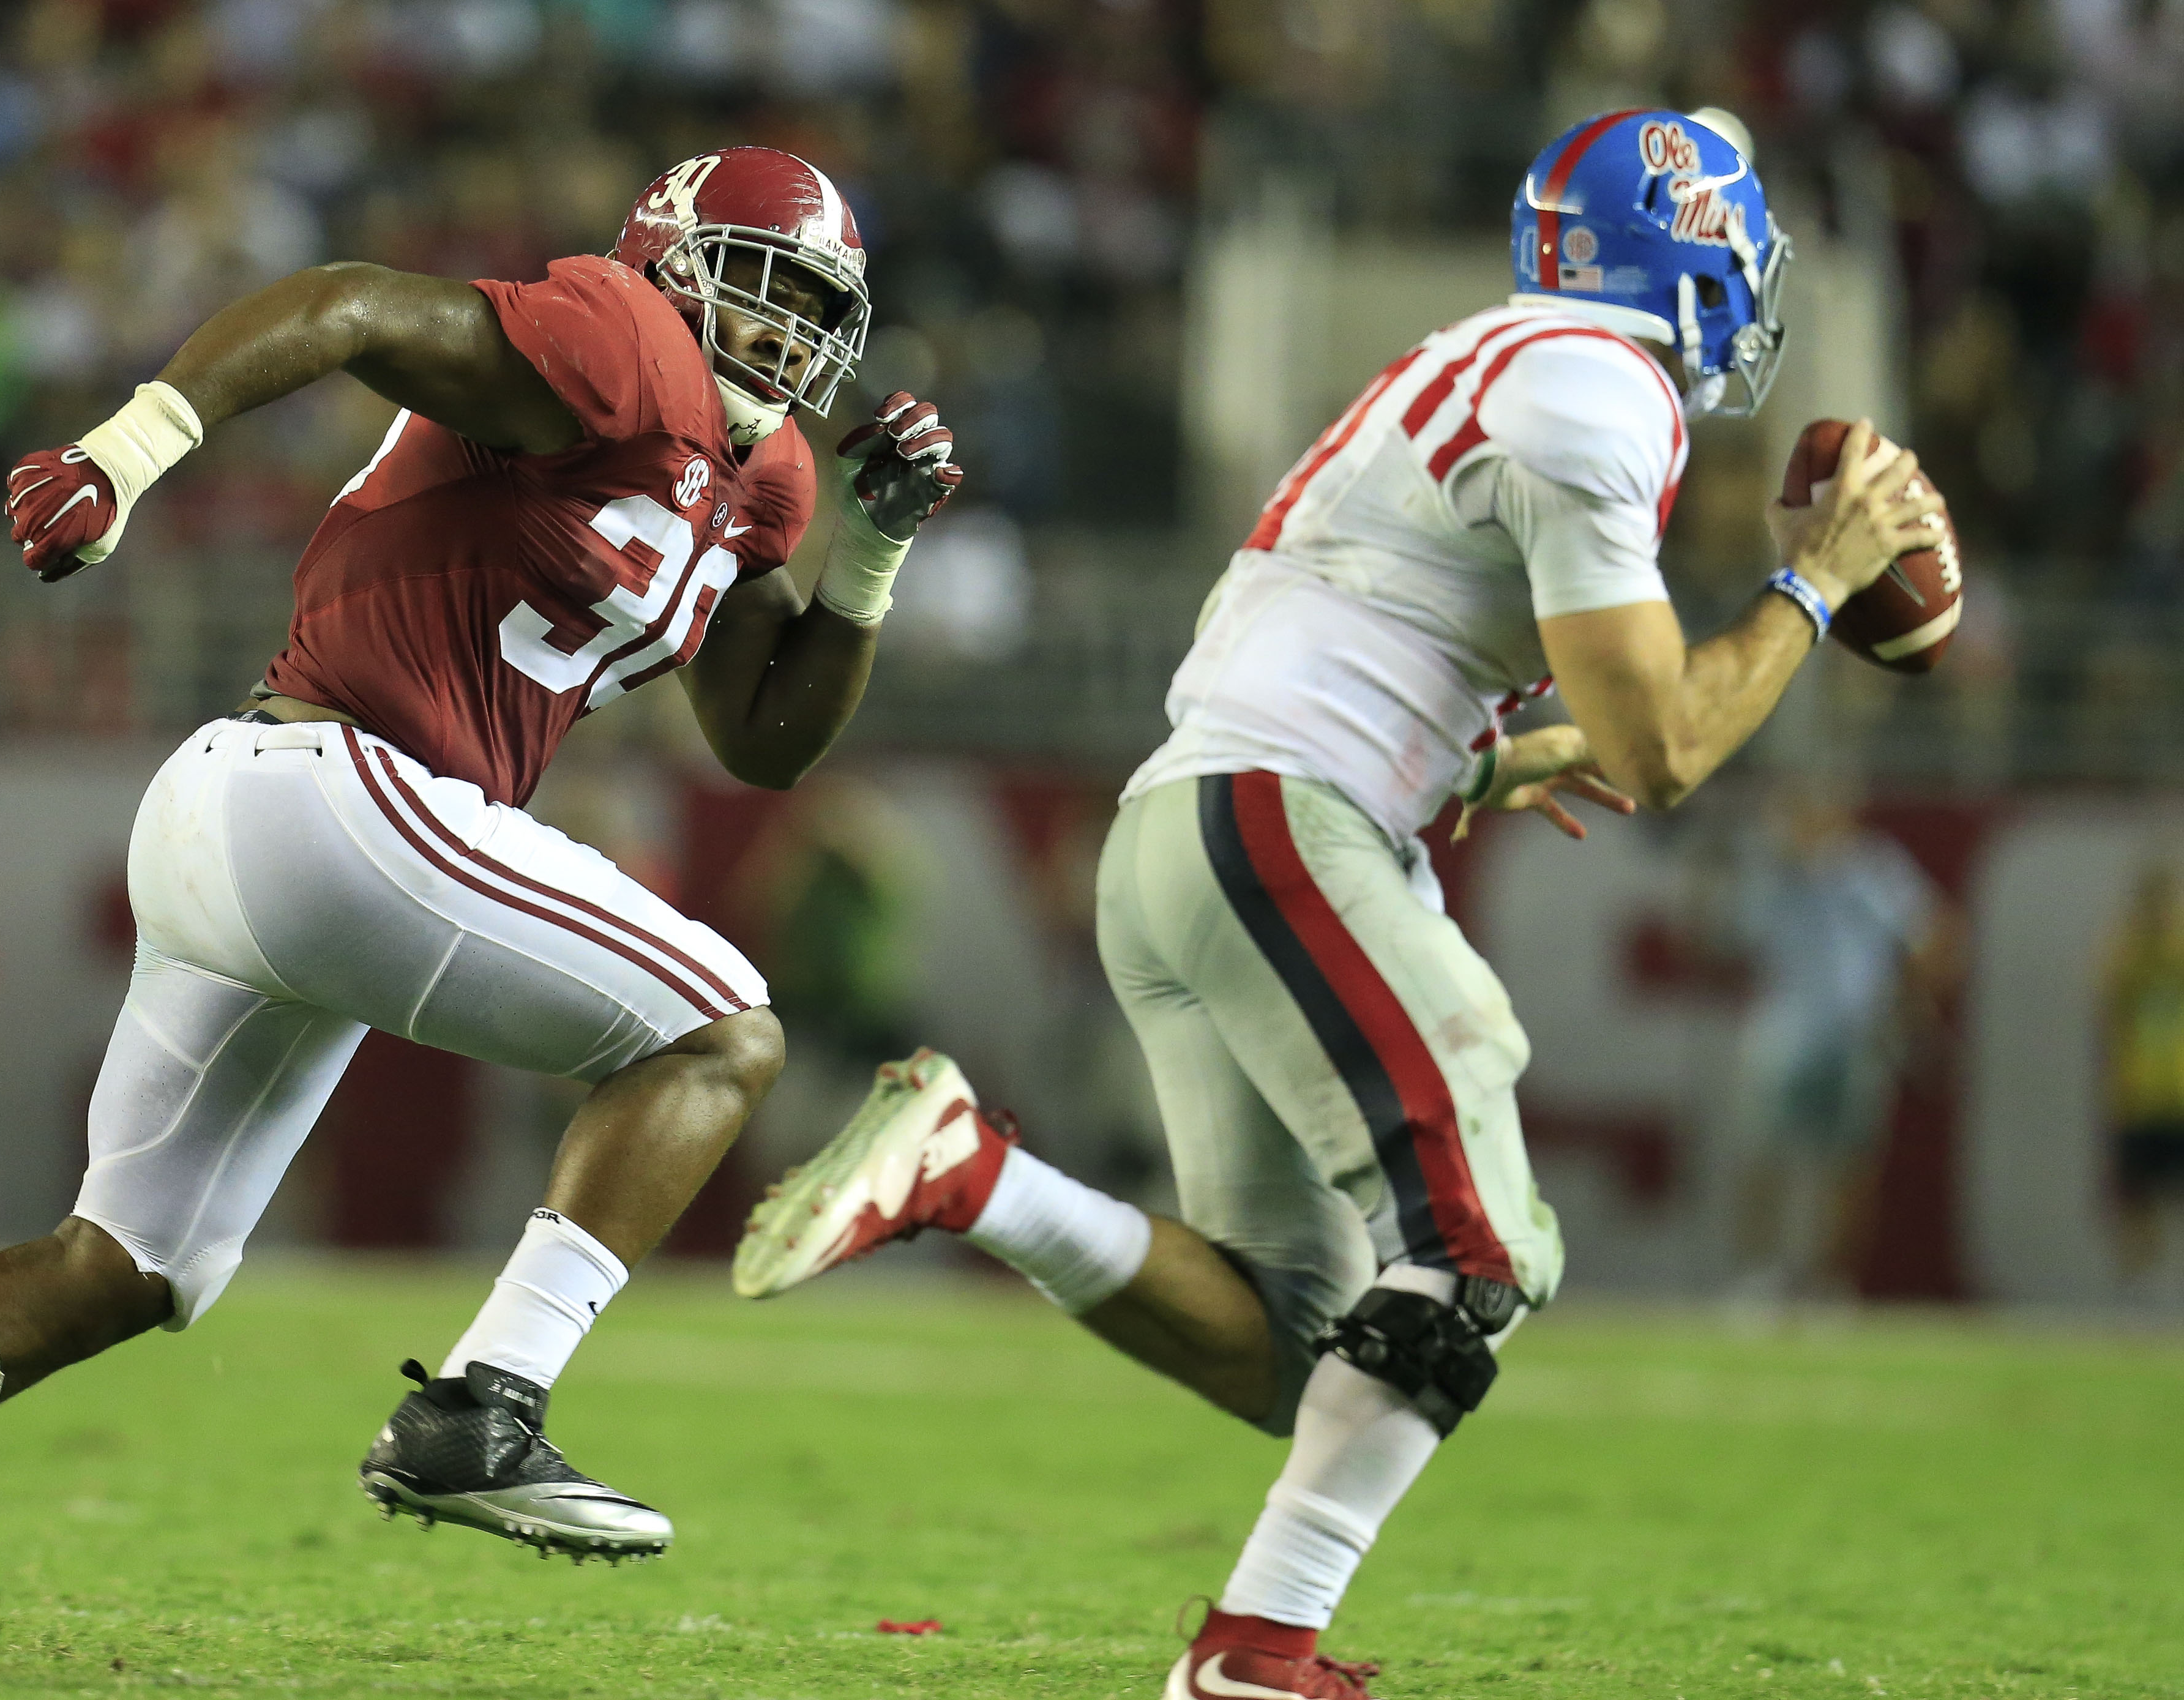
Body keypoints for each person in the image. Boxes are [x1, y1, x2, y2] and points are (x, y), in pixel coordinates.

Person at [0, 147, 964, 1640]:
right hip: (341, 786)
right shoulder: (617, 337)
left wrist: (874, 555)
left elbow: (764, 740)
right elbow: (350, 306)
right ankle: (483, 1404)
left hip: (266, 813)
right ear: (668, 257)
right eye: (760, 284)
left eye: (811, 302)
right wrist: (127, 450)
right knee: (723, 1027)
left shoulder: (761, 471)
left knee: (127, 1263)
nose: (784, 330)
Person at [736, 109, 1944, 1698]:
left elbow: (1362, 621)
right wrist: (1810, 582)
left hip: (1185, 830)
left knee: (1306, 1340)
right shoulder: (1599, 391)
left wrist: (1483, 766)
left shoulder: (1487, 359)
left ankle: (971, 1178)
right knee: (1478, 1249)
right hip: (1279, 826)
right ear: (1687, 249)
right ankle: (1251, 1650)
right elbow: (1662, 752)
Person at [1722, 780, 1947, 1302]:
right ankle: (1758, 1278)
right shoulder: (1772, 876)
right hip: (1784, 1032)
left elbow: (1935, 936)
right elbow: (1727, 938)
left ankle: (1830, 1284)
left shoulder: (1870, 870)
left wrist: (1902, 999)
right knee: (1763, 1158)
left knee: (1847, 1168)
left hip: (1854, 1036)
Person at [2101, 862, 2184, 1282]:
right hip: (2138, 1101)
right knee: (2134, 1207)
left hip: (2178, 1098)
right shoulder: (2127, 958)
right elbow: (2102, 996)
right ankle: (2135, 1299)